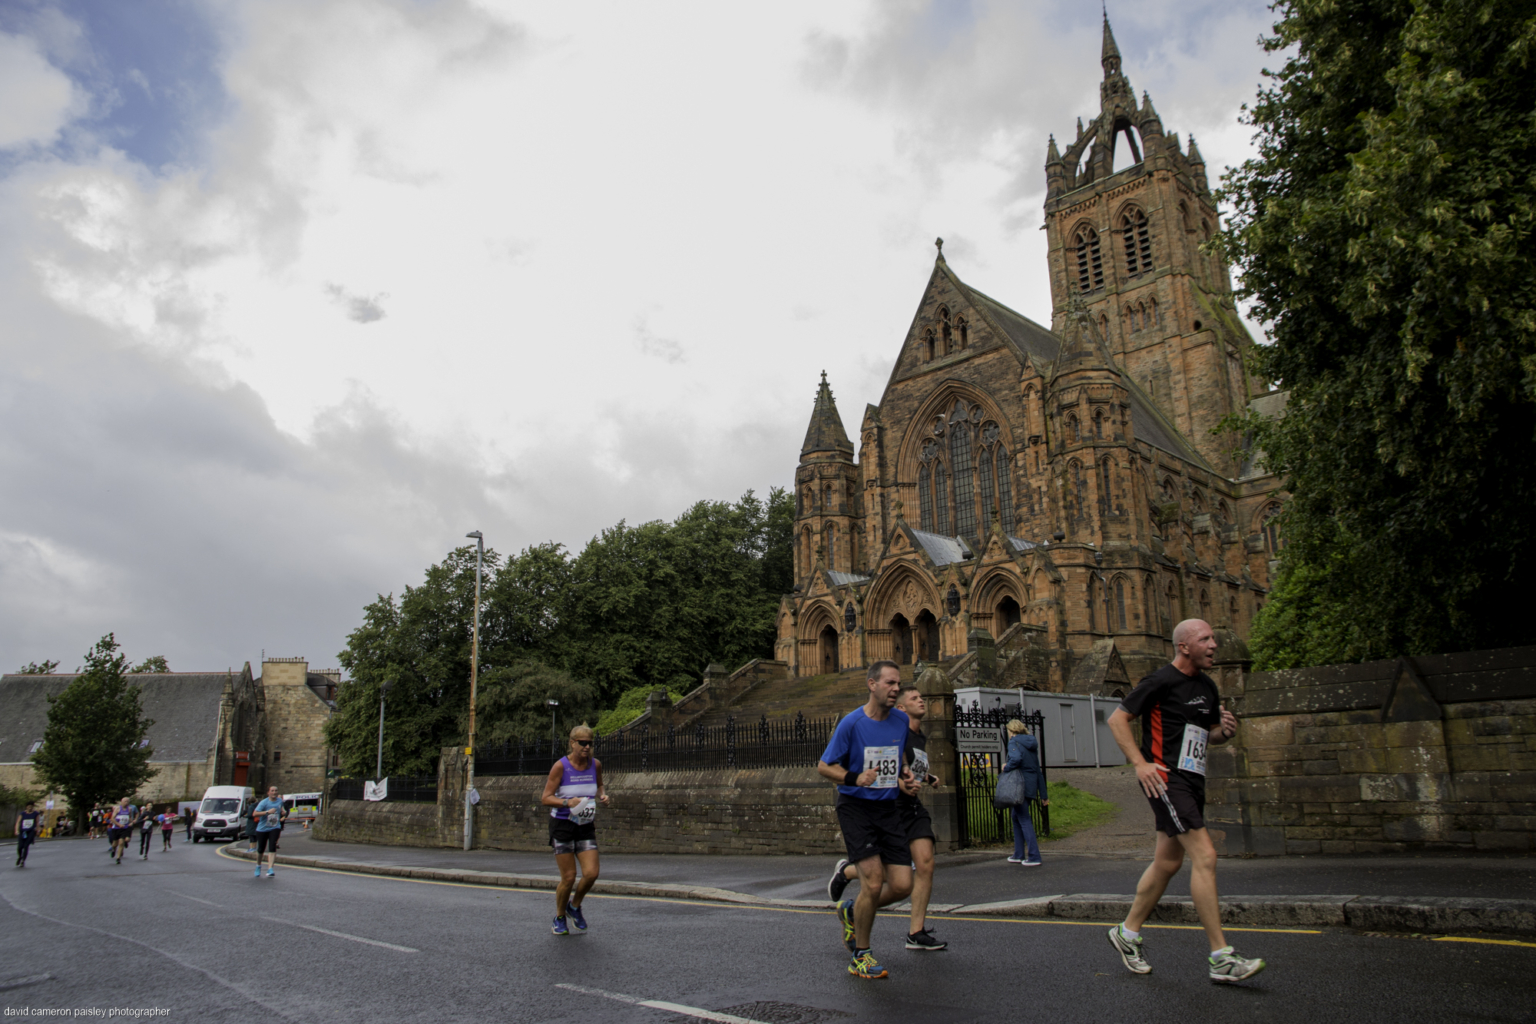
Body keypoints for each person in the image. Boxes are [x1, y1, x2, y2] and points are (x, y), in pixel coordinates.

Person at [1106, 618, 1265, 984]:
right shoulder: (1159, 681)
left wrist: (1222, 732)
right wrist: (1141, 763)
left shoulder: (1207, 687)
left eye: (1213, 638)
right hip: (1166, 780)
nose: (1214, 644)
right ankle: (1220, 957)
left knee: (1167, 862)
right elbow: (1118, 719)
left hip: (1193, 782)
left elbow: (1207, 736)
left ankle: (1126, 933)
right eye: (1205, 639)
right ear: (1184, 646)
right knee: (1205, 855)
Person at [816, 660, 918, 980]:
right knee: (873, 882)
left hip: (888, 808)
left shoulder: (901, 720)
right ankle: (861, 954)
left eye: (898, 683)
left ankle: (851, 910)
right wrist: (854, 777)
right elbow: (823, 766)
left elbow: (898, 754)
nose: (896, 688)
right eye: (890, 683)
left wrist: (905, 774)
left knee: (902, 885)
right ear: (872, 685)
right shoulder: (852, 723)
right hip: (856, 807)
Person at [827, 683, 946, 951]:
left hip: (910, 807)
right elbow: (881, 767)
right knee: (878, 875)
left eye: (922, 696)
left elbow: (910, 767)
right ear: (900, 708)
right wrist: (901, 783)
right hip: (888, 806)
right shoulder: (887, 728)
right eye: (915, 698)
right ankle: (847, 877)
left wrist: (925, 778)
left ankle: (915, 931)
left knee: (923, 865)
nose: (922, 701)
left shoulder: (917, 735)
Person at [541, 724, 609, 935]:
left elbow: (599, 785)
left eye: (590, 743)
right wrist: (566, 803)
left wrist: (602, 795)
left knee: (591, 873)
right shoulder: (560, 766)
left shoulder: (595, 765)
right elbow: (545, 798)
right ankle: (560, 916)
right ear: (572, 743)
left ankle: (574, 906)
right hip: (562, 825)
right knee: (569, 877)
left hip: (585, 825)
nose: (587, 747)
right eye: (582, 743)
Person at [1004, 719, 1048, 866]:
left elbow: (1015, 759)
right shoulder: (1031, 743)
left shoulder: (1013, 742)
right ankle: (1018, 854)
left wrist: (1006, 767)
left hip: (1019, 784)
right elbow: (1037, 769)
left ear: (1011, 731)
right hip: (1031, 785)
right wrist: (1044, 795)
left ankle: (1034, 856)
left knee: (1023, 818)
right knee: (1016, 817)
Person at [252, 786, 286, 878]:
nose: (274, 792)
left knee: (272, 846)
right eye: (272, 791)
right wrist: (267, 812)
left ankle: (270, 869)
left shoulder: (279, 801)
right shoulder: (264, 802)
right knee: (261, 849)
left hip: (275, 827)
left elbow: (281, 809)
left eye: (276, 790)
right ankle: (258, 866)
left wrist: (283, 812)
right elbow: (255, 813)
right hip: (262, 828)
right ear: (268, 793)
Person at [107, 797, 136, 864]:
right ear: (122, 802)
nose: (126, 803)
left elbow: (129, 818)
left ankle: (118, 858)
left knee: (121, 843)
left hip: (124, 828)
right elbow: (112, 819)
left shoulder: (129, 809)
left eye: (128, 801)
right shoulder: (117, 809)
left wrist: (131, 822)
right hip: (116, 828)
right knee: (115, 844)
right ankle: (113, 850)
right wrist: (119, 824)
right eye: (125, 801)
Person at [14, 801, 40, 867]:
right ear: (26, 807)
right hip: (22, 831)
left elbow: (37, 822)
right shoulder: (22, 814)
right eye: (29, 806)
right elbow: (18, 822)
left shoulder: (35, 813)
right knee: (20, 847)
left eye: (31, 806)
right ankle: (20, 857)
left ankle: (23, 860)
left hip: (30, 831)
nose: (30, 808)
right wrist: (17, 830)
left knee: (26, 846)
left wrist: (37, 830)